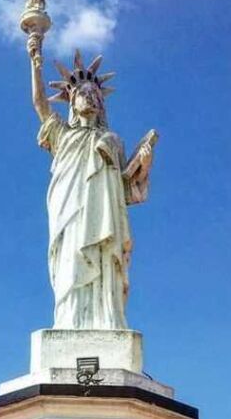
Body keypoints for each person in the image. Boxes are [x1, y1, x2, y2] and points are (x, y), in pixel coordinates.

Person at [28, 39, 156, 330]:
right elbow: (40, 104)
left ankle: (107, 320)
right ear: (72, 102)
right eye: (82, 93)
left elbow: (125, 190)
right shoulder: (62, 134)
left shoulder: (113, 141)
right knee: (71, 262)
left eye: (94, 94)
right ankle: (69, 323)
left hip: (105, 218)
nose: (90, 98)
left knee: (103, 264)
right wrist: (35, 60)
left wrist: (143, 165)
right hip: (70, 210)